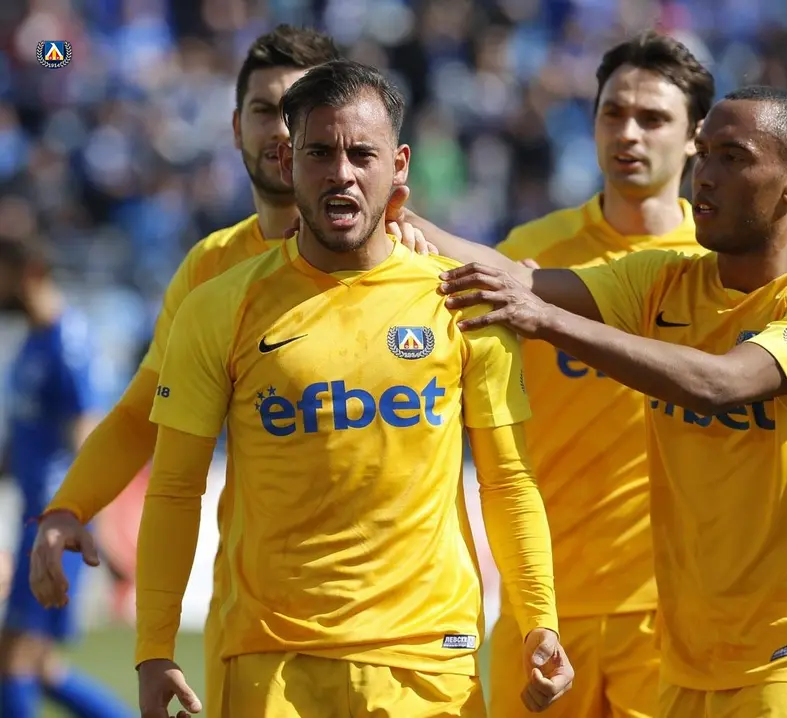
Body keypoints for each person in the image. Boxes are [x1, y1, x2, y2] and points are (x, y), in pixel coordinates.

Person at [418, 86, 787, 717]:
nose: (707, 175)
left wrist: (546, 320)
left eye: (733, 158)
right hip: (687, 660)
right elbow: (517, 279)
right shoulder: (665, 280)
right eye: (705, 155)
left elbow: (721, 385)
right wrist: (394, 210)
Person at [135, 58, 573, 718]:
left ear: (398, 166)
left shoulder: (462, 301)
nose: (341, 172)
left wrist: (540, 618)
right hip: (273, 660)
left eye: (361, 154)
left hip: (429, 659)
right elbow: (174, 487)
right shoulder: (219, 307)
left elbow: (508, 479)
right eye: (319, 152)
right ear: (289, 163)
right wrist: (153, 647)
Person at [25, 25, 391, 718]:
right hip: (256, 632)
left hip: (404, 637)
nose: (280, 130)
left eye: (296, 111)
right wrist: (68, 507)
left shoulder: (401, 254)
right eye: (263, 110)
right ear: (234, 127)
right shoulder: (209, 270)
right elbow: (140, 416)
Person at [487, 31, 713, 718]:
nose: (629, 132)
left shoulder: (717, 267)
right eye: (613, 112)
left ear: (696, 137)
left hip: (672, 610)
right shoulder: (531, 252)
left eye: (653, 118)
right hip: (543, 607)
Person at [0, 239, 132, 717]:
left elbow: (87, 438)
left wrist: (100, 532)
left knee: (13, 659)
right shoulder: (31, 343)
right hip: (33, 520)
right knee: (39, 666)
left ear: (30, 272)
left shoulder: (67, 341)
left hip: (56, 523)